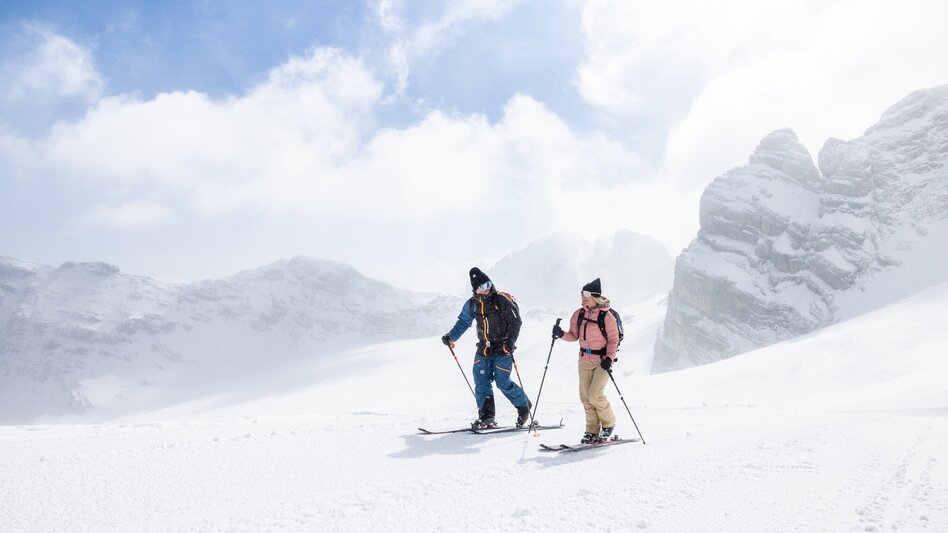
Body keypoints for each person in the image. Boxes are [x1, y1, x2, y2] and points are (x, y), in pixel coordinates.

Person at [441, 267, 532, 429]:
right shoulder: (472, 304)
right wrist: (451, 337)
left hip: (503, 348)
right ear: (475, 289)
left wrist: (510, 342)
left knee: (502, 381)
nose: (487, 288)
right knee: (481, 382)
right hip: (483, 349)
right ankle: (487, 418)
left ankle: (524, 406)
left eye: (489, 284)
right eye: (483, 286)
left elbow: (515, 321)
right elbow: (463, 322)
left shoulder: (502, 300)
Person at [551, 278, 618, 443]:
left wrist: (609, 358)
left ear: (595, 296)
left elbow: (613, 340)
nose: (582, 297)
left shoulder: (607, 316)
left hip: (603, 360)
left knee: (595, 395)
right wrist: (561, 334)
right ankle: (592, 430)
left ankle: (608, 424)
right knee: (585, 398)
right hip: (584, 360)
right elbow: (573, 336)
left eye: (586, 294)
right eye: (581, 293)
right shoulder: (578, 314)